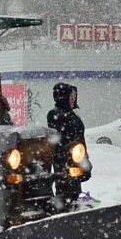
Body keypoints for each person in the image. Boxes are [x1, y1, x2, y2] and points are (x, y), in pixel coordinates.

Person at [44, 82, 85, 210]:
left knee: (75, 189)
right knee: (66, 189)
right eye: (70, 97)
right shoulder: (56, 114)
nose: (73, 100)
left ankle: (72, 208)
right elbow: (59, 140)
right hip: (64, 159)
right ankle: (65, 210)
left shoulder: (71, 114)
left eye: (74, 97)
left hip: (76, 158)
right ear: (63, 98)